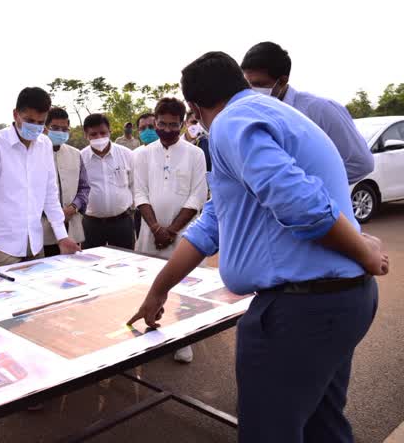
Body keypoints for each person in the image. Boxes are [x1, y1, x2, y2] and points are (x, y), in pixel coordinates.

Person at [129, 51, 387, 443]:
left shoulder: (232, 123)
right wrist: (159, 289)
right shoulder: (269, 115)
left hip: (301, 311)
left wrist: (362, 251)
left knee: (270, 431)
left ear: (195, 109)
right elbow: (213, 222)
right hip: (338, 302)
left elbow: (299, 201)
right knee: (322, 424)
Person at [0, 87, 80, 270]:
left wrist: (61, 235)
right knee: (6, 296)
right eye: (29, 120)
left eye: (40, 122)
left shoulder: (44, 145)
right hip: (4, 245)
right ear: (15, 114)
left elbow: (50, 193)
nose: (35, 127)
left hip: (36, 242)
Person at [133, 97, 207, 363]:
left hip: (183, 235)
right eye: (161, 123)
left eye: (173, 124)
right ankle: (150, 329)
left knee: (183, 287)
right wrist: (155, 228)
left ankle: (184, 339)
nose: (166, 129)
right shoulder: (141, 154)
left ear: (182, 123)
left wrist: (172, 231)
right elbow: (139, 192)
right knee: (148, 282)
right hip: (149, 233)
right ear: (155, 120)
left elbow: (197, 196)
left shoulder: (195, 153)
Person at [241, 41, 373, 183]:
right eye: (247, 84)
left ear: (282, 81)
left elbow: (361, 164)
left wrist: (305, 189)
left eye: (259, 84)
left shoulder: (321, 110)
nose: (251, 90)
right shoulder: (250, 113)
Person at [80, 113, 135, 249]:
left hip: (122, 222)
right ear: (86, 135)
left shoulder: (126, 154)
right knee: (92, 264)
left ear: (110, 132)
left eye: (103, 133)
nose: (99, 137)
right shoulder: (80, 158)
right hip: (91, 224)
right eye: (93, 134)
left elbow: (134, 185)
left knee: (125, 263)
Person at [42, 106, 90, 256]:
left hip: (72, 224)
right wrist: (55, 213)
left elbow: (84, 187)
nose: (60, 133)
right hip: (43, 228)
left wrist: (73, 207)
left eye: (64, 129)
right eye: (55, 128)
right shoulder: (34, 154)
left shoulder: (75, 154)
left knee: (73, 272)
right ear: (45, 128)